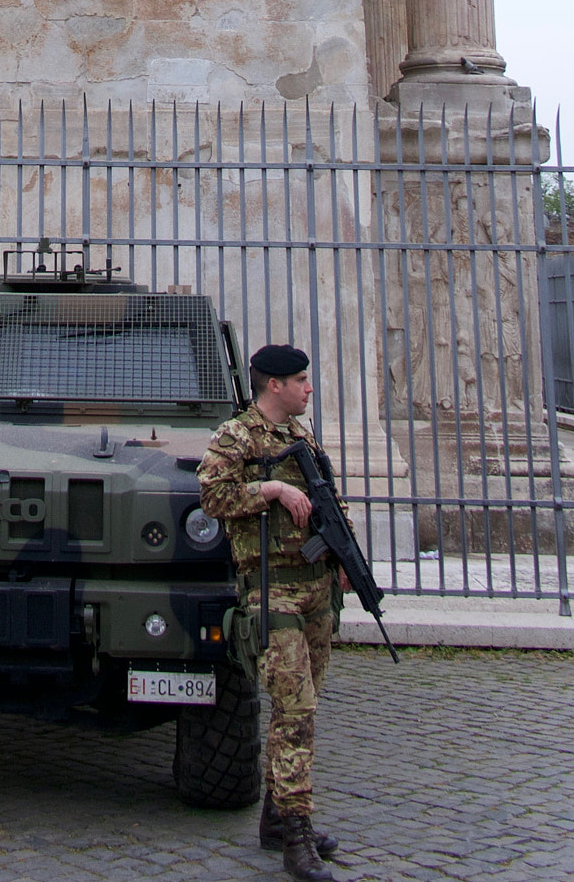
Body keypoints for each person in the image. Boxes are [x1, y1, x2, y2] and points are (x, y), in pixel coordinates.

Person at [198, 344, 348, 882]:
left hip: (315, 589)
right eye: (302, 381)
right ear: (275, 385)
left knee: (303, 708)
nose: (309, 389)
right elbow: (212, 497)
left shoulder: (300, 437)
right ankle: (298, 837)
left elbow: (328, 498)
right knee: (295, 710)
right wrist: (272, 488)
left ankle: (276, 819)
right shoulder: (236, 435)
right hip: (272, 591)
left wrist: (345, 557)